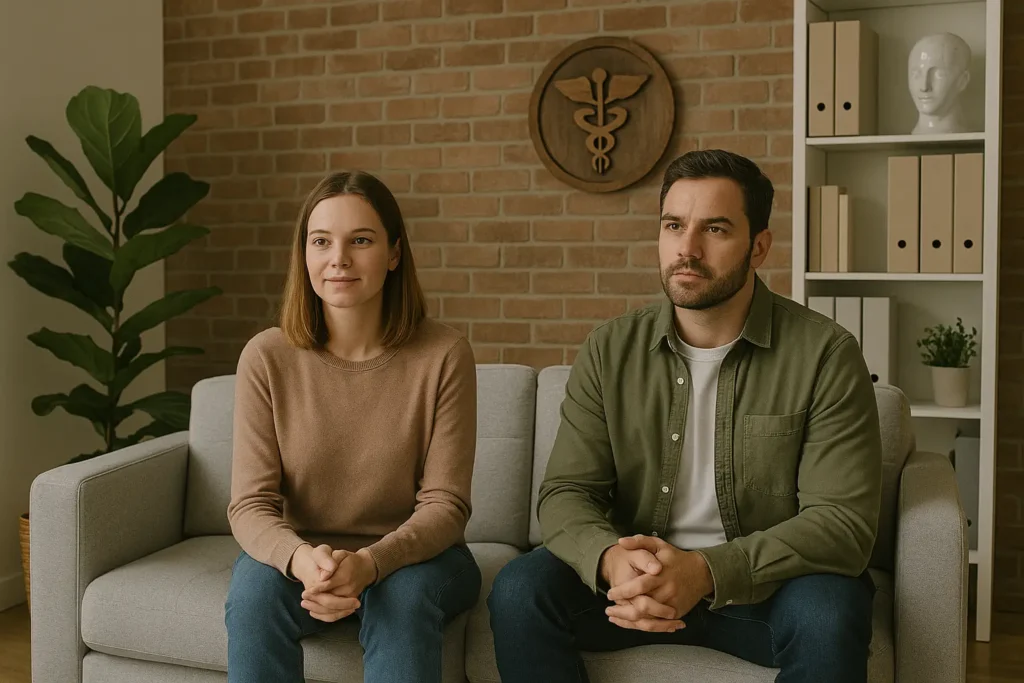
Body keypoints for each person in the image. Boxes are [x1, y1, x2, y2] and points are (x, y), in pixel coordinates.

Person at [488, 149, 883, 683]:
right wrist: (609, 560)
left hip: (765, 592)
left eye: (715, 229)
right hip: (636, 585)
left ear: (759, 246)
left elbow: (842, 524)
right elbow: (566, 492)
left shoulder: (825, 354)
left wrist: (705, 571)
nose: (688, 249)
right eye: (674, 225)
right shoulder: (609, 350)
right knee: (520, 590)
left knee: (830, 613)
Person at [224, 170, 481, 683]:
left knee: (401, 598)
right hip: (305, 555)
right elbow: (250, 505)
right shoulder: (266, 356)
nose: (338, 258)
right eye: (321, 241)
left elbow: (446, 506)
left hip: (417, 559)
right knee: (253, 594)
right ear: (304, 254)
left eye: (360, 240)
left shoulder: (445, 354)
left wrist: (372, 563)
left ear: (394, 253)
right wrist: (301, 560)